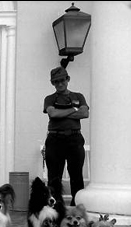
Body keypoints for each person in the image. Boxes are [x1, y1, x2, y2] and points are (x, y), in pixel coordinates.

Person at [43, 66, 89, 206]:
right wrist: (74, 109)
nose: (60, 84)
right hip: (55, 140)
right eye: (56, 81)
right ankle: (56, 206)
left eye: (62, 80)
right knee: (54, 177)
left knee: (76, 175)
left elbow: (85, 113)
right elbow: (53, 114)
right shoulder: (49, 98)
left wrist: (62, 112)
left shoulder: (78, 96)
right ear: (52, 83)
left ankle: (76, 207)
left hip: (74, 139)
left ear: (68, 79)